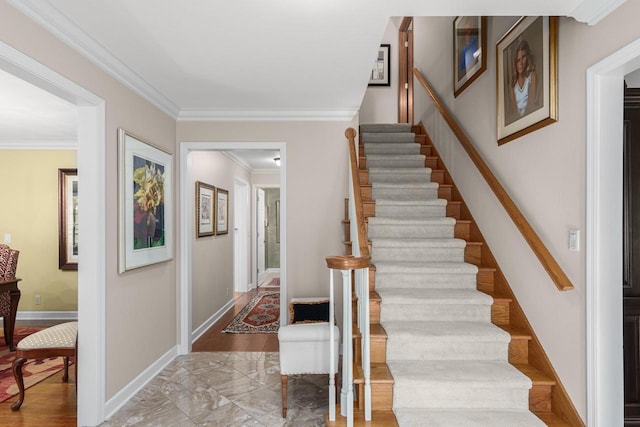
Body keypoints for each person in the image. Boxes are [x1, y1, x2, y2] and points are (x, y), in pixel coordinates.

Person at [509, 40, 537, 118]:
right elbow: (514, 109)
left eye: (523, 57)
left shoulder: (531, 76)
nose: (520, 63)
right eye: (518, 60)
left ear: (527, 58)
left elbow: (531, 102)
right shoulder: (513, 84)